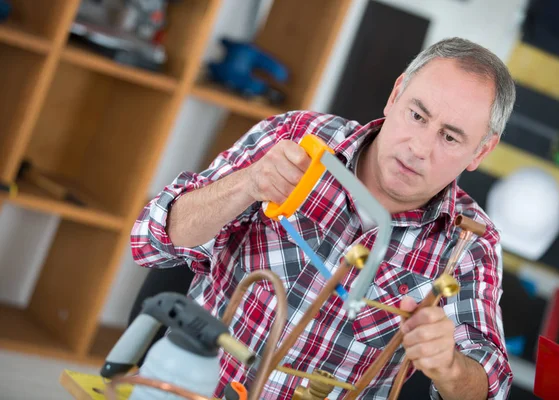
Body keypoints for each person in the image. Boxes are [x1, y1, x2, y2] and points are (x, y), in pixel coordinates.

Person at [130, 37, 516, 399]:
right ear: (396, 94)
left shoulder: (469, 243)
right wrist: (246, 184)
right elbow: (149, 241)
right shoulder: (298, 137)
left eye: (449, 138)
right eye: (417, 115)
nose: (418, 147)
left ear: (481, 151)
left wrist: (449, 366)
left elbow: (491, 381)